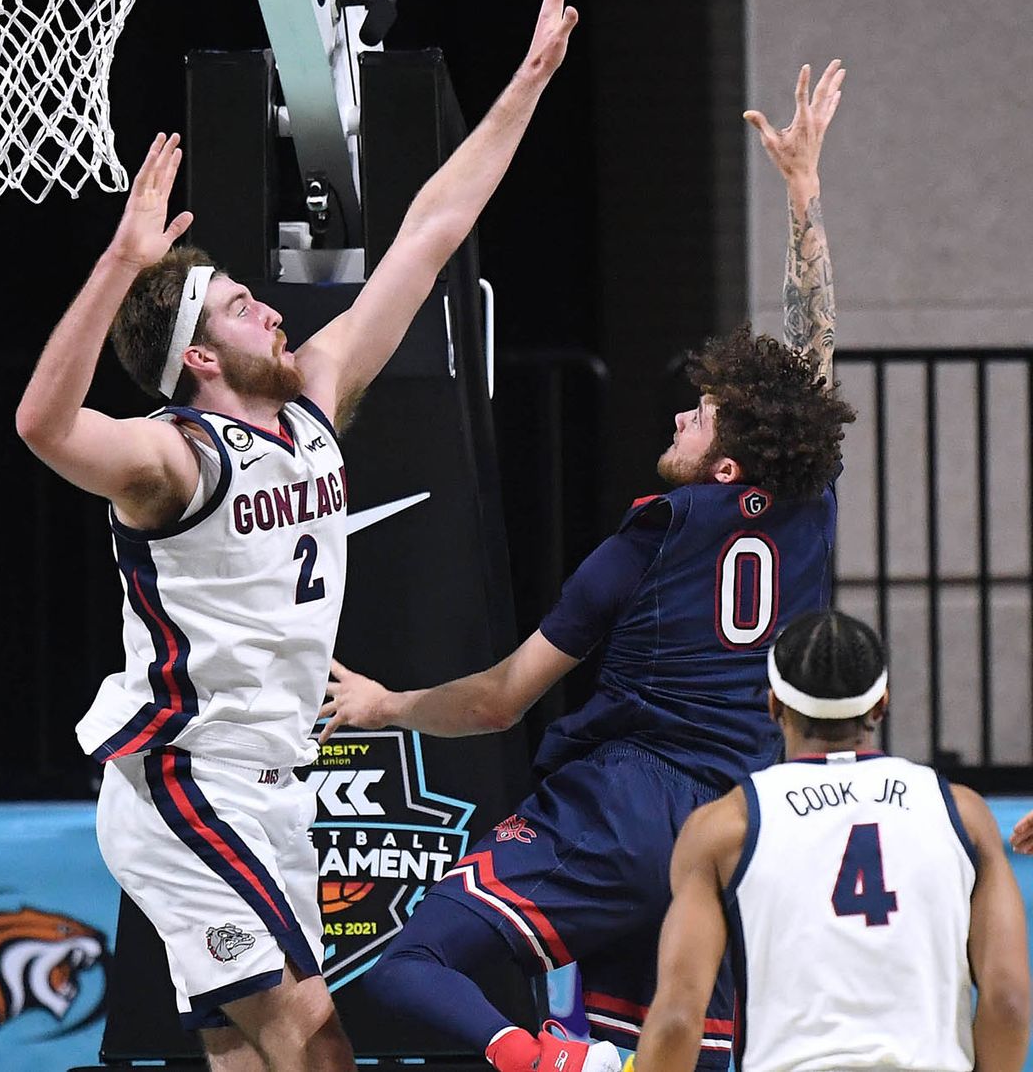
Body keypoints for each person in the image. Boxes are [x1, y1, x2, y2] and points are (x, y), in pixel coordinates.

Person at [14, 0, 578, 1072]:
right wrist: (122, 265)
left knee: (244, 1051)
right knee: (314, 1041)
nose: (265, 307)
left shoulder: (316, 392)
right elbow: (42, 425)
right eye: (234, 306)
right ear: (197, 358)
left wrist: (527, 80)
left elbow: (429, 232)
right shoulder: (174, 458)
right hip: (185, 777)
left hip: (269, 785)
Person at [320, 60, 857, 1072]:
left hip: (622, 807)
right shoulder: (805, 509)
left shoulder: (646, 542)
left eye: (699, 417)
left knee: (408, 962)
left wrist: (386, 705)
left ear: (728, 460)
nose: (680, 414)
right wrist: (803, 190)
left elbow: (498, 702)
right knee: (682, 1054)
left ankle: (547, 1062)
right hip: (747, 827)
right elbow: (812, 350)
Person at [634, 608, 1030, 1072]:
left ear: (774, 707)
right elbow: (1009, 1002)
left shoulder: (725, 827)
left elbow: (678, 1020)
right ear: (881, 704)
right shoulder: (962, 814)